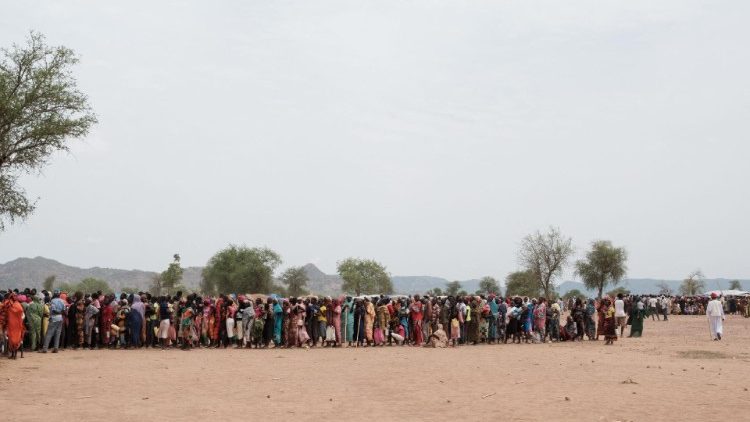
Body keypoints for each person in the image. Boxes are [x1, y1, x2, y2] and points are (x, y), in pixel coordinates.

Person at [4, 292, 26, 359]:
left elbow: (20, 311)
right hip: (12, 325)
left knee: (15, 340)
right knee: (12, 340)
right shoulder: (11, 305)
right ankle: (13, 355)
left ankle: (15, 355)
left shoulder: (15, 305)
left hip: (16, 325)